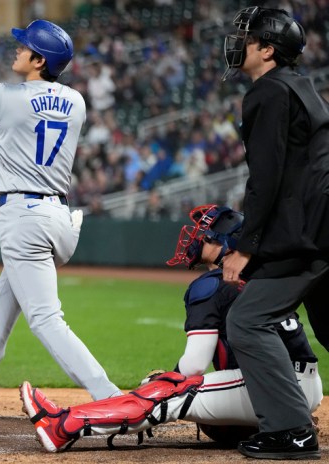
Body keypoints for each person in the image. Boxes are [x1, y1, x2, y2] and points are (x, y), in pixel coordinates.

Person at [0, 19, 122, 425]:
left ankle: (112, 399)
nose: (17, 50)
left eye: (25, 46)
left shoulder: (1, 95)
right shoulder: (77, 101)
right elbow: (15, 122)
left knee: (46, 319)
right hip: (60, 220)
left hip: (24, 221)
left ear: (39, 58)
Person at [19, 204, 322, 453]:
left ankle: (63, 425)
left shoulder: (211, 285)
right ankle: (286, 421)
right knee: (202, 405)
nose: (197, 237)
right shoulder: (261, 279)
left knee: (171, 391)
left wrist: (161, 382)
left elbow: (193, 366)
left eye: (206, 234)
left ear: (225, 243)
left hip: (274, 384)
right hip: (299, 385)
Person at [219, 6, 329, 459]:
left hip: (304, 232)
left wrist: (246, 248)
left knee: (246, 321)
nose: (237, 42)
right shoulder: (303, 87)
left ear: (267, 49)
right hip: (322, 224)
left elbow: (266, 178)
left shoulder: (267, 92)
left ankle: (290, 430)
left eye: (247, 36)